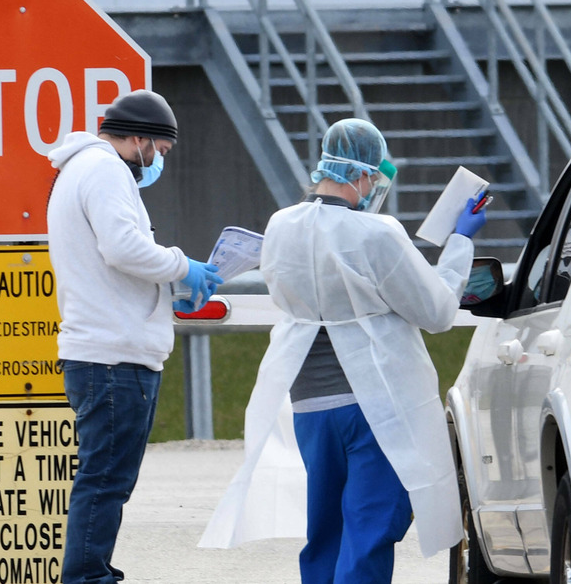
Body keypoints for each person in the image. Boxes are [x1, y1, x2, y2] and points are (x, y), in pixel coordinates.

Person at [199, 117, 487, 583]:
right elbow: (435, 313)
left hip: (309, 402)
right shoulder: (378, 233)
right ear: (363, 174)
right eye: (374, 176)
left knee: (326, 533)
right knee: (370, 529)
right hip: (376, 405)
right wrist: (460, 241)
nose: (375, 185)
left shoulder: (281, 225)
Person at [46, 89, 222, 584]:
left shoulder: (80, 170)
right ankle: (87, 577)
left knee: (106, 480)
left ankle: (92, 571)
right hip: (111, 357)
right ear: (141, 139)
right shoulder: (105, 170)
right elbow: (124, 248)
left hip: (107, 350)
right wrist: (184, 265)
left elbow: (115, 264)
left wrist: (171, 288)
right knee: (105, 482)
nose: (158, 162)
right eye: (160, 152)